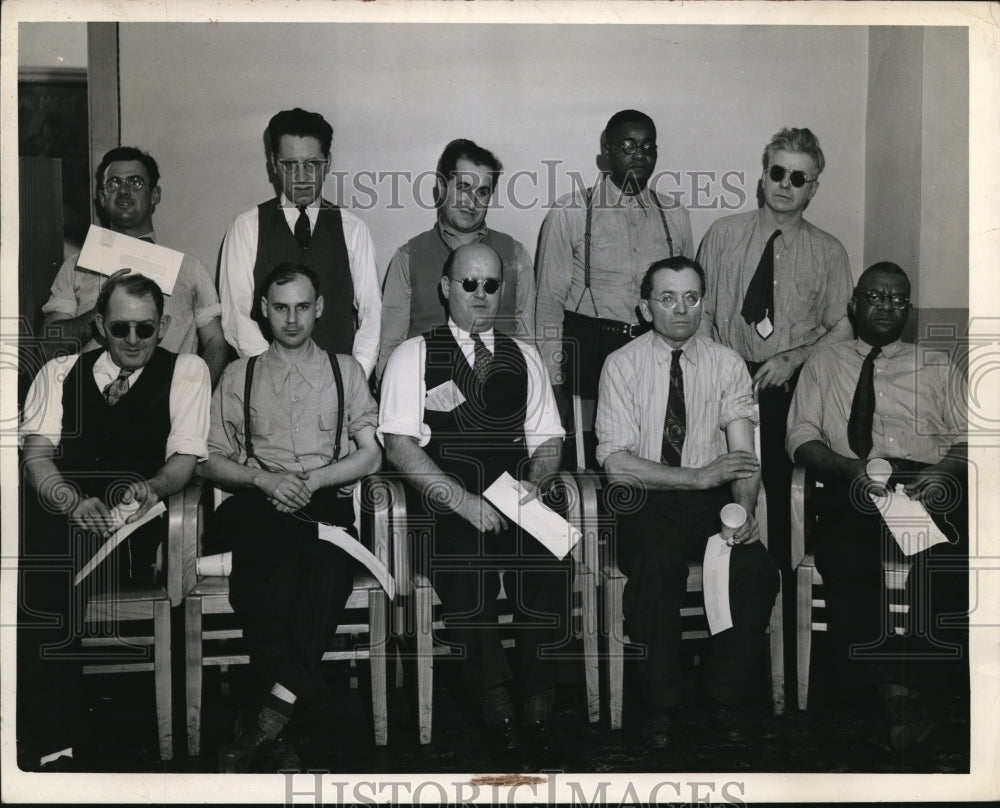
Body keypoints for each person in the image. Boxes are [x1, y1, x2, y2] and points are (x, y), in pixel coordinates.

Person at [379, 242, 569, 767]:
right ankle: (497, 710)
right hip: (444, 496)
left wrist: (539, 476)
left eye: (491, 285)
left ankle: (537, 707)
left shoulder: (523, 355)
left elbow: (548, 438)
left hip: (515, 490)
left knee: (555, 554)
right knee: (468, 566)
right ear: (446, 288)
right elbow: (398, 446)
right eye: (470, 284)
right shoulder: (412, 356)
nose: (482, 295)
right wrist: (461, 502)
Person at [19, 273, 210, 771]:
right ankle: (50, 736)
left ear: (163, 326)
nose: (132, 341)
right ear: (100, 325)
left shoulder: (187, 370)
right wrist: (71, 501)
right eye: (120, 328)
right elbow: (37, 460)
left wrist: (150, 488)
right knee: (36, 558)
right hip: (67, 511)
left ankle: (53, 736)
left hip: (135, 524)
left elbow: (184, 463)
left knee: (48, 571)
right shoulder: (60, 373)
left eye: (145, 330)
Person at [200, 263, 382, 773]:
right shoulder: (241, 373)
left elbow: (370, 454)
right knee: (271, 578)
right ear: (263, 309)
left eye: (303, 306)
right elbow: (208, 458)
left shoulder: (346, 371)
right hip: (258, 503)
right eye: (281, 307)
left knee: (329, 572)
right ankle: (281, 718)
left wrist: (316, 480)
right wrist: (264, 481)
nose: (292, 318)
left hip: (323, 500)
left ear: (319, 307)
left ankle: (265, 721)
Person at [595, 256, 780, 748]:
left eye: (692, 297)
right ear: (645, 307)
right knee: (656, 565)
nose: (681, 309)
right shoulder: (621, 365)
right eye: (667, 298)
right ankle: (661, 703)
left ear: (704, 302)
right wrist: (697, 477)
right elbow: (617, 464)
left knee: (757, 568)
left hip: (712, 504)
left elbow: (742, 456)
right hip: (645, 499)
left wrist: (743, 511)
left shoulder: (726, 363)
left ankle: (723, 694)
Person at [786, 261, 968, 753]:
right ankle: (879, 689)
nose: (887, 306)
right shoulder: (824, 363)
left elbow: (971, 437)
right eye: (875, 296)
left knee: (952, 553)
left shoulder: (935, 363)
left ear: (908, 310)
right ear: (854, 304)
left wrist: (942, 473)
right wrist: (846, 469)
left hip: (925, 483)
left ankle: (917, 687)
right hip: (853, 482)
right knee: (848, 556)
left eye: (897, 299)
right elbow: (800, 437)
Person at [697, 126, 854, 571]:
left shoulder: (828, 252)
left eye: (798, 178)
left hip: (789, 388)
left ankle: (781, 607)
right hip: (725, 382)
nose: (786, 185)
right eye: (778, 173)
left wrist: (792, 359)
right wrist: (720, 372)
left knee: (785, 499)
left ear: (813, 189)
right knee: (724, 493)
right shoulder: (723, 235)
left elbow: (842, 325)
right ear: (762, 178)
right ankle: (728, 601)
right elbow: (700, 313)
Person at [535, 109, 694, 435]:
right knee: (588, 457)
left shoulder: (674, 215)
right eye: (628, 145)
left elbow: (687, 303)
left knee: (647, 450)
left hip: (653, 350)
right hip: (588, 351)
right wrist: (553, 383)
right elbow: (549, 306)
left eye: (649, 147)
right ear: (606, 154)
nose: (640, 155)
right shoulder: (572, 211)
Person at [41, 146, 228, 387]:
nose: (124, 191)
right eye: (114, 183)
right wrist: (100, 309)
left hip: (166, 405)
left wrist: (195, 396)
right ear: (101, 196)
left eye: (136, 182)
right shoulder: (76, 267)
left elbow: (216, 341)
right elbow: (48, 347)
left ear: (155, 196)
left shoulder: (189, 268)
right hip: (94, 406)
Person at [219, 108, 381, 378]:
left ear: (328, 163)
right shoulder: (246, 227)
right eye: (290, 164)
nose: (302, 175)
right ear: (273, 163)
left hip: (338, 385)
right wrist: (274, 376)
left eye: (312, 164)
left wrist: (352, 380)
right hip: (268, 385)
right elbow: (236, 318)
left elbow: (372, 316)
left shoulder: (354, 230)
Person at [377, 139, 535, 380]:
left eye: (482, 192)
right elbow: (390, 349)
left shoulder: (516, 255)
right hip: (428, 390)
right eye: (463, 187)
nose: (471, 202)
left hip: (501, 388)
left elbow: (528, 343)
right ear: (441, 188)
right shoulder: (408, 257)